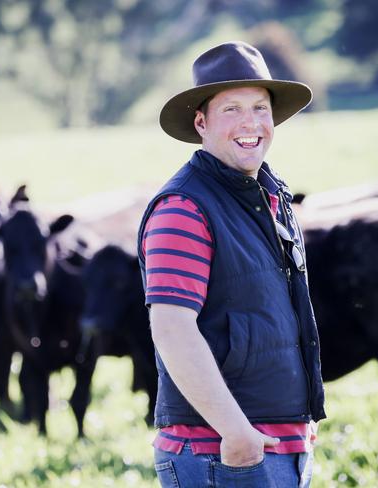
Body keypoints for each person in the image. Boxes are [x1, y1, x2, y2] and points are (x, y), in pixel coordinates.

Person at [137, 41, 326, 487]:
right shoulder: (184, 208)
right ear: (200, 122)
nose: (251, 123)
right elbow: (171, 328)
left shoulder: (268, 198)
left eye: (261, 108)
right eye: (232, 110)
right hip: (220, 453)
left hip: (276, 447)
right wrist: (236, 433)